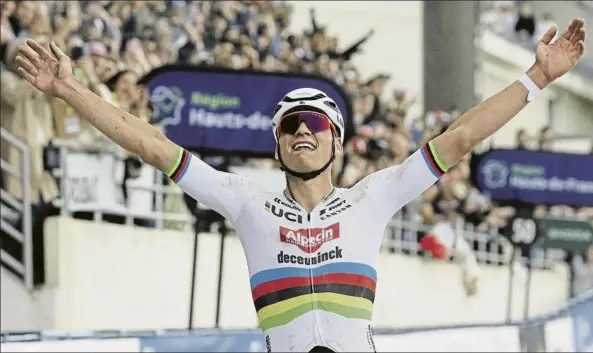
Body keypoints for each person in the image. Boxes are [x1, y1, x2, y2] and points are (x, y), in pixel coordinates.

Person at [15, 18, 586, 353]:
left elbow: (460, 138)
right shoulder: (246, 201)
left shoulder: (373, 196)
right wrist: (69, 91)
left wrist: (537, 78)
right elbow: (151, 145)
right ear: (278, 143)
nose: (302, 133)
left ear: (338, 142)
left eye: (316, 123)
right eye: (290, 125)